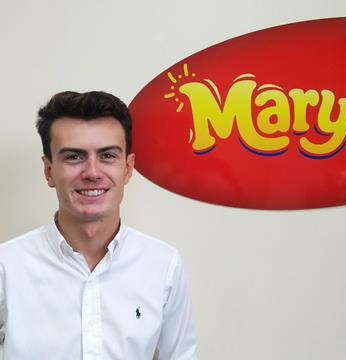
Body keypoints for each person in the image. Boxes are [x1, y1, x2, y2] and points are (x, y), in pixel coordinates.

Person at [0, 91, 198, 359]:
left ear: (127, 169)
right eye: (74, 157)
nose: (92, 172)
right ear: (49, 171)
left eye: (107, 156)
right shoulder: (5, 267)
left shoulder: (164, 265)